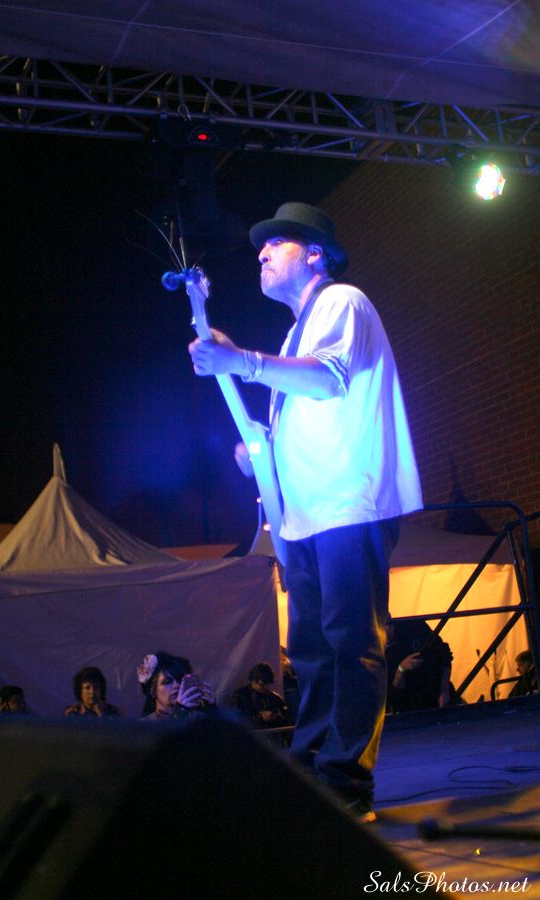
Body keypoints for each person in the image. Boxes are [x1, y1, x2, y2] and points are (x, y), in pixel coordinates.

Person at [188, 202, 422, 822]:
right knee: (313, 651)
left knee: (351, 643)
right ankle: (315, 773)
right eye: (260, 247)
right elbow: (304, 409)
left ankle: (346, 782)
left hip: (349, 504)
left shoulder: (343, 301)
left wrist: (242, 362)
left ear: (315, 254)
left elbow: (328, 379)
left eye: (277, 243)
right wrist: (258, 448)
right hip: (306, 517)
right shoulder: (295, 335)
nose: (261, 253)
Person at [385, 618, 453, 713]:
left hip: (439, 696)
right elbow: (394, 698)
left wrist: (444, 690)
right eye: (381, 625)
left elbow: (444, 654)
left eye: (389, 624)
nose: (387, 628)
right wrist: (401, 669)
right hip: (411, 709)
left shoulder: (413, 627)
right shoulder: (372, 655)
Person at [137, 651, 216, 720]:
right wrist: (180, 713)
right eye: (167, 682)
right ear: (153, 691)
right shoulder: (144, 725)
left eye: (180, 679)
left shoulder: (195, 719)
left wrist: (212, 712)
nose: (177, 685)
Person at [231, 662, 290, 730]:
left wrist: (276, 716)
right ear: (252, 680)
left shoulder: (275, 698)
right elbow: (236, 720)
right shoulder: (240, 696)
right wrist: (260, 717)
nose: (261, 685)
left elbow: (286, 719)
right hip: (249, 734)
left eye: (265, 683)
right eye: (257, 682)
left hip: (271, 735)